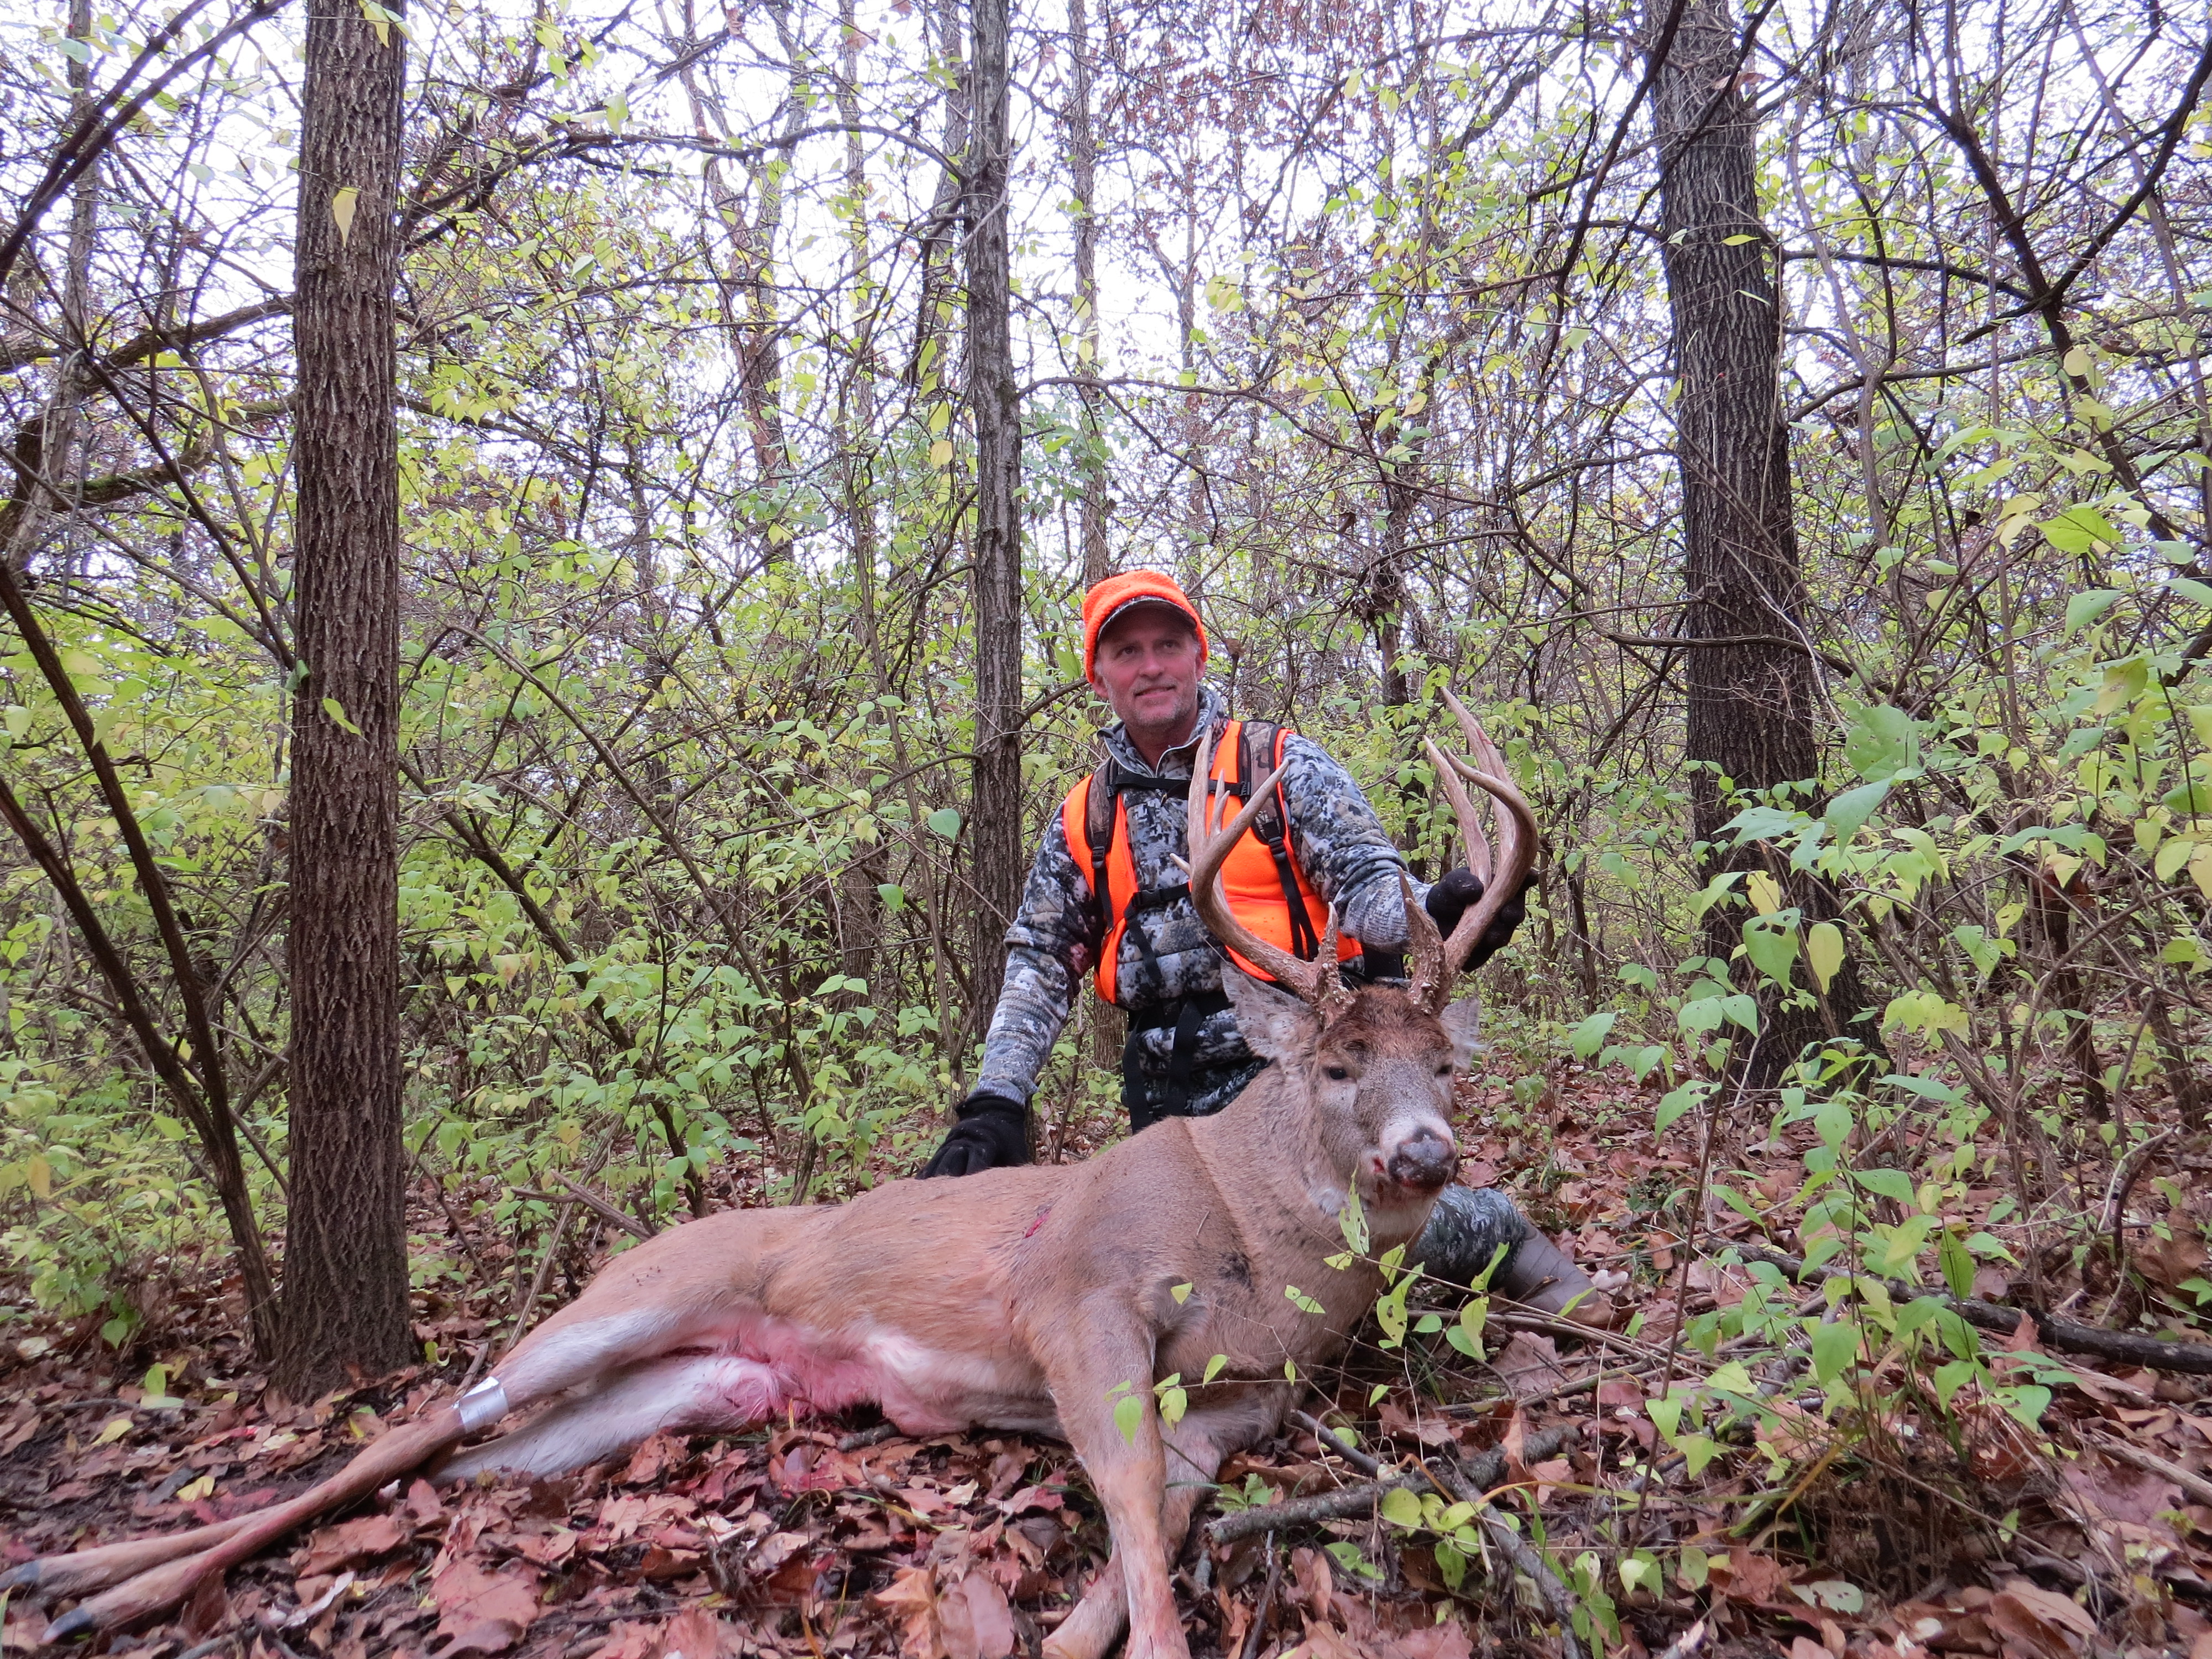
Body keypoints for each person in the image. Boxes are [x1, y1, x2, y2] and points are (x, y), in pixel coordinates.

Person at [919, 572, 1603, 1318]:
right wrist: (998, 1101)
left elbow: (1367, 879)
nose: (1151, 665)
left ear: (1198, 656)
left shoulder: (1278, 766)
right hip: (1164, 1089)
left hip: (1295, 1060)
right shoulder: (1086, 814)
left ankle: (1496, 1232)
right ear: (1100, 676)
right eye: (1127, 651)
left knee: (1314, 1236)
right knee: (1166, 1262)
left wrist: (1428, 915)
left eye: (1168, 646)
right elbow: (1044, 961)